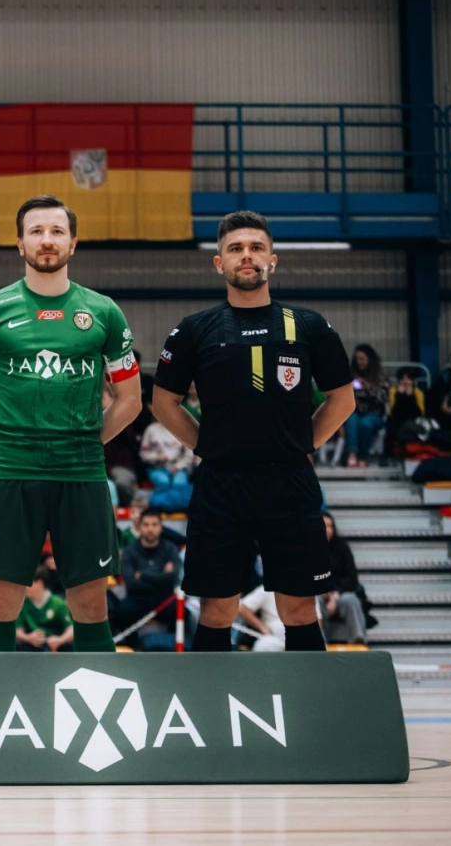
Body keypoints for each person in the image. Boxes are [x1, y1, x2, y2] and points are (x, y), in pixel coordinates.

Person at [151, 210, 354, 653]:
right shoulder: (194, 329)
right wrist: (206, 445)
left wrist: (302, 444)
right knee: (216, 610)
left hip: (290, 482)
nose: (247, 255)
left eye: (256, 247)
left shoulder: (308, 325)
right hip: (220, 484)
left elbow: (343, 399)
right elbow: (163, 402)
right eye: (236, 248)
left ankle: (308, 700)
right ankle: (211, 699)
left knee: (299, 609)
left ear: (272, 261)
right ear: (219, 263)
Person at [0, 195, 140, 654]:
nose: (47, 240)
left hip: (82, 473)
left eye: (57, 231)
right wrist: (5, 440)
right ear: (20, 244)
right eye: (36, 231)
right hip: (13, 472)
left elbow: (130, 400)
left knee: (90, 604)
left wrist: (88, 443)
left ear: (73, 243)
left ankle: (98, 697)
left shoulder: (104, 311)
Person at [111, 509, 182, 629]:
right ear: (140, 527)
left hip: (164, 599)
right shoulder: (129, 551)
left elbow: (172, 579)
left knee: (182, 611)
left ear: (161, 527)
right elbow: (131, 583)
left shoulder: (170, 549)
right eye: (146, 524)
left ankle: (174, 641)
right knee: (123, 611)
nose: (150, 529)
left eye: (154, 524)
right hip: (137, 598)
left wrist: (143, 575)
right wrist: (162, 576)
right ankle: (129, 641)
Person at [319, 512, 368, 645]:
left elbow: (352, 577)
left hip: (341, 593)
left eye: (330, 526)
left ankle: (358, 640)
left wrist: (335, 596)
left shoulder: (341, 546)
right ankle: (320, 643)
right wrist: (324, 593)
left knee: (350, 600)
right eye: (324, 526)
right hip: (318, 594)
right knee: (315, 603)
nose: (328, 530)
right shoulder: (309, 548)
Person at [345, 343, 388, 467]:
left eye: (362, 359)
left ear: (369, 359)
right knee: (351, 418)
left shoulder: (380, 377)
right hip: (356, 412)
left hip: (375, 415)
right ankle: (352, 454)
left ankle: (363, 456)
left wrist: (369, 387)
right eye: (357, 359)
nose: (359, 362)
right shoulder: (351, 376)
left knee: (365, 424)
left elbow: (383, 399)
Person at [16, 566, 74, 652]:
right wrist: (28, 638)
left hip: (54, 646)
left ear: (39, 583)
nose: (24, 587)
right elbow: (17, 630)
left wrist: (60, 639)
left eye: (27, 584)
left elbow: (71, 628)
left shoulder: (57, 603)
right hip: (30, 647)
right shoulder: (22, 604)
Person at [236, 585, 285, 652]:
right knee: (263, 645)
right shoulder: (267, 589)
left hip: (297, 634)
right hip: (275, 637)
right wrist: (262, 627)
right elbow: (242, 609)